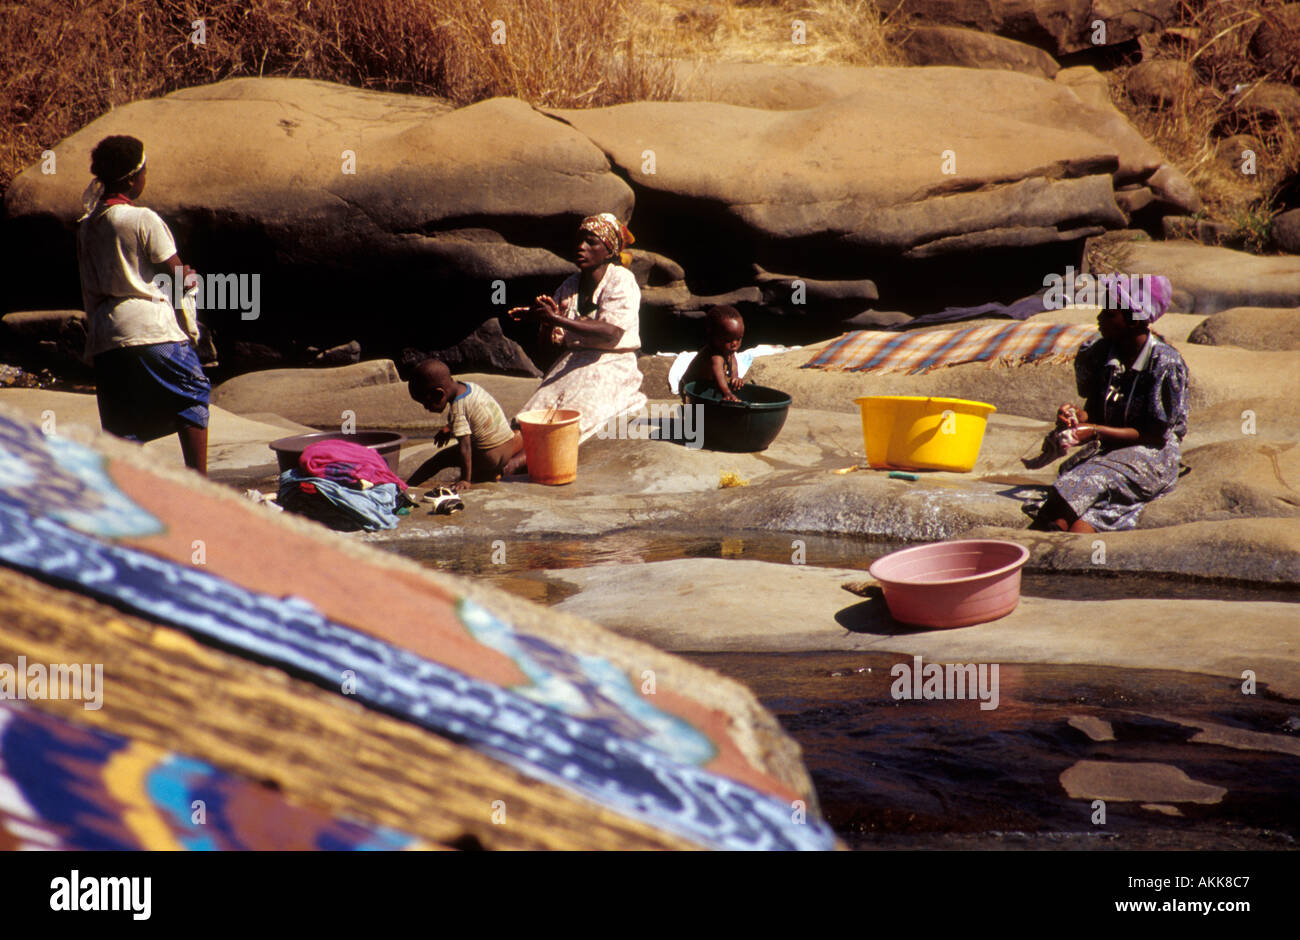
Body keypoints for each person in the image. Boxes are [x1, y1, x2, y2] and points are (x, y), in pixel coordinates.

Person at [76, 135, 210, 474]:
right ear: (133, 178)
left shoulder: (87, 226)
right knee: (193, 395)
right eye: (144, 171)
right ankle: (201, 486)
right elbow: (179, 277)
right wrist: (190, 280)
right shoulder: (142, 219)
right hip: (150, 329)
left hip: (108, 336)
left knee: (124, 425)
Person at [1029, 275, 1188, 533]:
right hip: (1111, 450)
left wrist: (1094, 431)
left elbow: (1155, 435)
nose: (1100, 318)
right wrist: (1077, 417)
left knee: (1085, 480)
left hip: (1150, 456)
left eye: (1110, 313)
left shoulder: (1165, 363)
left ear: (1134, 319)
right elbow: (1094, 411)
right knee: (1075, 519)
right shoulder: (1102, 353)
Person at [508, 213, 647, 443]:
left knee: (571, 424)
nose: (580, 247)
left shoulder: (621, 279)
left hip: (611, 365)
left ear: (610, 249)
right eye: (579, 241)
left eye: (591, 242)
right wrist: (544, 322)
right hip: (571, 363)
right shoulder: (570, 285)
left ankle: (518, 464)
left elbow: (611, 332)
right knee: (529, 421)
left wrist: (557, 320)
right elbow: (548, 352)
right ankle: (502, 459)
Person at [406, 358, 524, 490]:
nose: (426, 408)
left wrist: (464, 480)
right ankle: (493, 471)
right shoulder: (469, 387)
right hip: (507, 448)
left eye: (427, 403)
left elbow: (465, 448)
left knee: (439, 460)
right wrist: (448, 429)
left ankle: (407, 486)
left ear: (439, 393)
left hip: (490, 457)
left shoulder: (457, 409)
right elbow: (471, 416)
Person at [680, 305, 746, 402]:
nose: (735, 344)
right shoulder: (714, 356)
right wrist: (727, 393)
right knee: (699, 415)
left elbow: (733, 363)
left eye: (738, 338)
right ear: (712, 336)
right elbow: (718, 375)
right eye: (728, 340)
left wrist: (735, 377)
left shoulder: (727, 351)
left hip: (708, 387)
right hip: (691, 391)